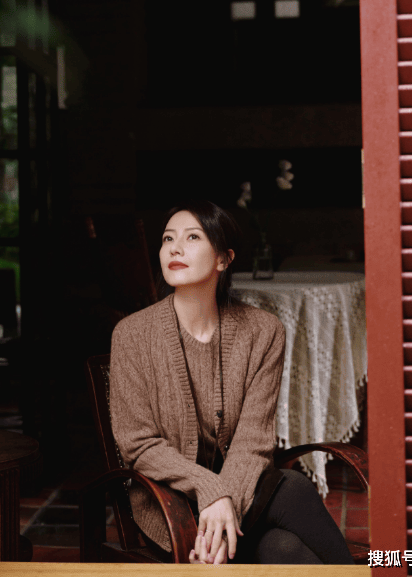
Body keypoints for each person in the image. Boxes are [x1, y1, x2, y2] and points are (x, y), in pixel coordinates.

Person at [109, 199, 355, 565]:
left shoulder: (263, 331)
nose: (175, 248)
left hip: (244, 491)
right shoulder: (132, 335)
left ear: (224, 259)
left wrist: (226, 501)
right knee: (291, 497)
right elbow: (138, 446)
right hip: (172, 504)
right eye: (167, 239)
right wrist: (211, 490)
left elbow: (254, 441)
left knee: (282, 547)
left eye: (192, 237)